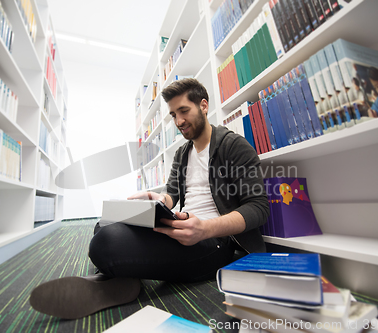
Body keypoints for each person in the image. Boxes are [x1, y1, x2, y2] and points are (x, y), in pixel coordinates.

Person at [29, 78, 270, 319]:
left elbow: (258, 208)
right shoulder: (182, 153)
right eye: (173, 114)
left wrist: (205, 229)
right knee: (103, 225)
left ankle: (117, 281)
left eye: (184, 111)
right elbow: (173, 194)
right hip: (180, 226)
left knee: (107, 242)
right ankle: (121, 283)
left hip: (215, 244)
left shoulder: (234, 146)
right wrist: (158, 202)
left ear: (204, 106)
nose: (178, 121)